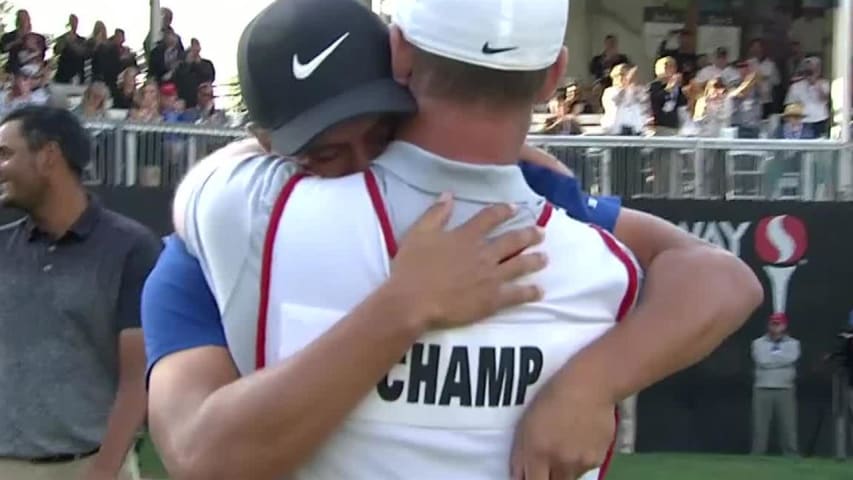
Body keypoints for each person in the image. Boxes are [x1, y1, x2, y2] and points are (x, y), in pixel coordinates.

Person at [145, 1, 761, 479]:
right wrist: (402, 308)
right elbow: (720, 276)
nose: (357, 164)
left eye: (378, 135)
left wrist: (591, 382)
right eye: (323, 153)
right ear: (554, 75)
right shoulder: (584, 244)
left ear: (401, 54)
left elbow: (206, 183)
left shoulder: (240, 209)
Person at [0, 106, 161, 480]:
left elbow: (137, 376)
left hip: (93, 465)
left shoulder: (131, 248)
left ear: (48, 156)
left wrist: (104, 470)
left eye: (6, 154)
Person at [751, 313, 800, 457]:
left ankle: (791, 453)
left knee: (788, 423)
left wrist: (772, 359)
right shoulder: (758, 343)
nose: (775, 327)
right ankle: (758, 453)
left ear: (784, 326)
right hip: (762, 387)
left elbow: (791, 358)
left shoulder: (793, 343)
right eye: (773, 323)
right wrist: (780, 360)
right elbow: (762, 360)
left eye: (778, 324)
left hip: (785, 388)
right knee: (760, 423)